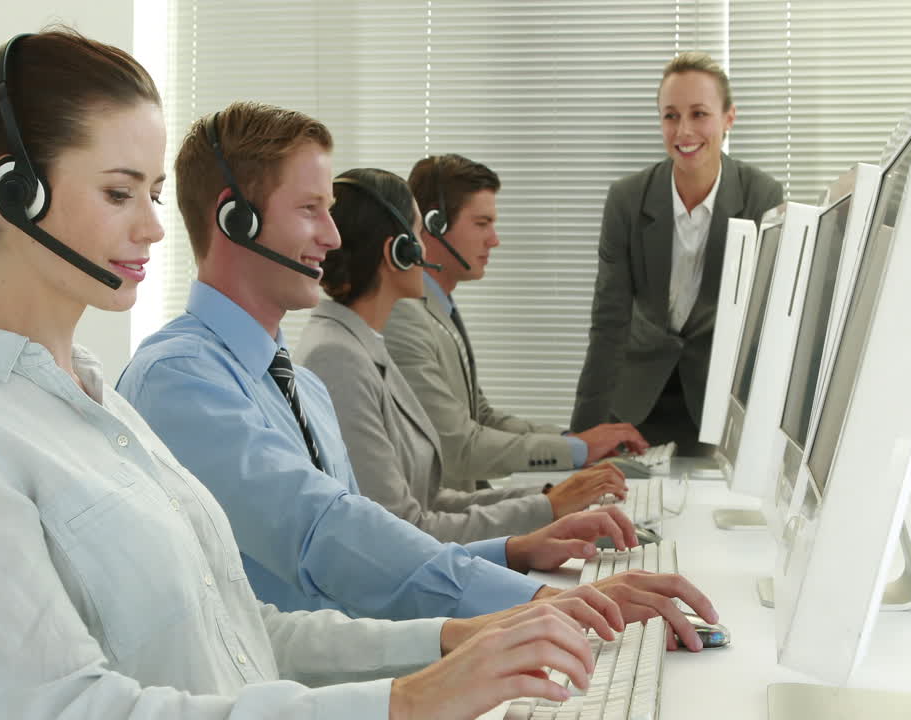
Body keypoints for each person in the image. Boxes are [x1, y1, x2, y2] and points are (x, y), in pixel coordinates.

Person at [0, 29, 663, 720]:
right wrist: (410, 699)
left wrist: (460, 637)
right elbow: (63, 705)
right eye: (120, 193)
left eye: (152, 193)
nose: (153, 226)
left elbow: (245, 629)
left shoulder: (97, 398)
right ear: (16, 192)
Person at [116, 101, 716, 641]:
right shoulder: (181, 380)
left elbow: (373, 551)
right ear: (235, 221)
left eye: (330, 212)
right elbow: (329, 539)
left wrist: (511, 552)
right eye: (310, 210)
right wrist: (537, 599)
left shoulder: (305, 388)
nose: (331, 235)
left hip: (352, 670)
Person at [297, 167, 630, 543]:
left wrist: (550, 498)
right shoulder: (337, 356)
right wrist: (548, 508)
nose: (423, 249)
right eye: (417, 235)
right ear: (398, 251)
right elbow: (400, 530)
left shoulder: (363, 342)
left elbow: (426, 499)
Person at [383, 155, 648, 494]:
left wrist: (572, 440)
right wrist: (577, 451)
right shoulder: (405, 318)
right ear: (434, 225)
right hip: (442, 524)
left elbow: (482, 418)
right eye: (482, 223)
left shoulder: (440, 310)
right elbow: (459, 447)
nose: (494, 239)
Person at [570, 51, 784, 453]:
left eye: (699, 113)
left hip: (713, 399)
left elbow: (763, 323)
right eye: (670, 116)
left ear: (729, 118)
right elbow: (609, 322)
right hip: (636, 397)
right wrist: (583, 437)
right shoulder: (627, 199)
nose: (684, 131)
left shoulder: (761, 195)